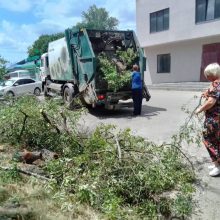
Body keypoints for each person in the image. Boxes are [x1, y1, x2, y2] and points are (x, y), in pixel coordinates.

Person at [195, 63, 220, 177]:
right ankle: (216, 163)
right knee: (216, 140)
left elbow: (211, 102)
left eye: (208, 75)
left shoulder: (217, 84)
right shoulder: (215, 83)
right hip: (215, 118)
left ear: (213, 74)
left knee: (208, 140)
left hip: (214, 119)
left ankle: (217, 166)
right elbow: (212, 95)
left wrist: (199, 109)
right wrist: (207, 94)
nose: (206, 77)